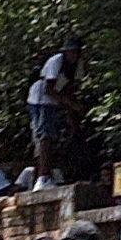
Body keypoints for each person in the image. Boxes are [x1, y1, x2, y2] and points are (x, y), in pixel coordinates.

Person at [29, 36, 84, 186]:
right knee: (45, 136)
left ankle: (50, 173)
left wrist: (71, 114)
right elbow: (49, 89)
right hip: (40, 97)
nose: (72, 55)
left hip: (56, 100)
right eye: (70, 52)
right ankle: (42, 177)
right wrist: (70, 105)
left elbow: (71, 89)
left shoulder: (78, 65)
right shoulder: (56, 61)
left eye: (75, 52)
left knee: (54, 137)